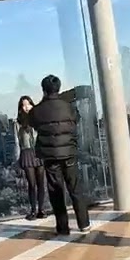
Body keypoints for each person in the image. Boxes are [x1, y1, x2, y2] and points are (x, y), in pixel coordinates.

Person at [28, 74, 90, 236]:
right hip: (69, 152)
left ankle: (63, 227)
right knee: (75, 188)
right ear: (59, 88)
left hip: (50, 155)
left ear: (43, 90)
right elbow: (76, 119)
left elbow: (33, 123)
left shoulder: (37, 110)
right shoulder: (68, 107)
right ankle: (84, 224)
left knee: (56, 191)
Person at [14, 96, 47, 220]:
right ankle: (33, 210)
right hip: (27, 153)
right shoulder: (17, 124)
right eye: (23, 105)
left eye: (28, 104)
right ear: (20, 108)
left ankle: (41, 209)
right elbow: (16, 142)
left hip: (39, 151)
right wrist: (18, 159)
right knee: (32, 184)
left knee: (41, 183)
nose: (26, 107)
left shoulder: (38, 119)